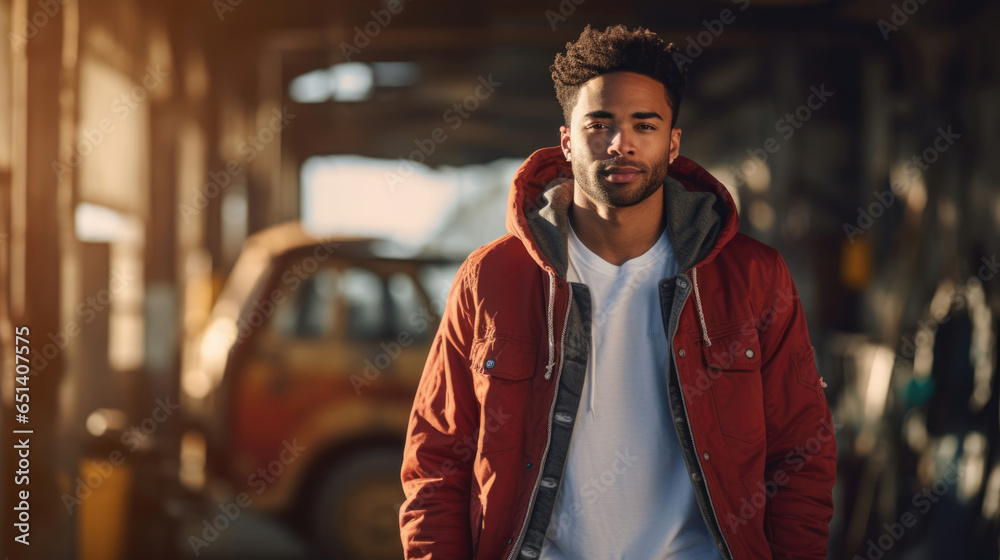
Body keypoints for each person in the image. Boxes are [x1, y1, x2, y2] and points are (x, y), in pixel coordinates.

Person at [399, 24, 836, 560]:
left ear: (673, 143)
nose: (620, 143)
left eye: (643, 125)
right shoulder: (491, 278)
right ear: (565, 141)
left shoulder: (753, 277)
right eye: (598, 124)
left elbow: (801, 454)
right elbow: (437, 461)